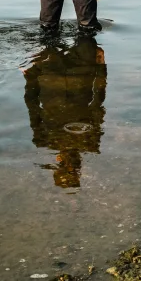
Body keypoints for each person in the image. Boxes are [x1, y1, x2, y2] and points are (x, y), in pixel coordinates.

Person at [22, 35, 107, 188]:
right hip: (82, 71)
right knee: (85, 35)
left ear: (58, 162)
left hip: (51, 74)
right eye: (73, 169)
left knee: (48, 35)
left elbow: (32, 106)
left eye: (67, 168)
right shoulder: (91, 144)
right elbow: (98, 105)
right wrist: (101, 68)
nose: (71, 164)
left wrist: (31, 77)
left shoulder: (42, 140)